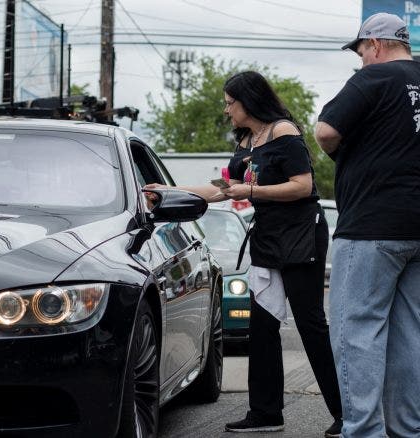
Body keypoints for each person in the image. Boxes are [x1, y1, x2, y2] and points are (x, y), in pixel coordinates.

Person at [145, 70, 342, 437]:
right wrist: (168, 191)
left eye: (229, 103)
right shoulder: (246, 140)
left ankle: (345, 414)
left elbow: (303, 186)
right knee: (261, 326)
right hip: (268, 236)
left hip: (301, 234)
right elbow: (223, 189)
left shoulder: (284, 131)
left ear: (248, 100)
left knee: (310, 324)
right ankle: (266, 413)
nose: (225, 110)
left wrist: (250, 193)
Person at [315, 12, 420, 438]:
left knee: (356, 330)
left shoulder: (374, 78)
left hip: (371, 226)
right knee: (408, 334)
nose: (360, 61)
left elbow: (324, 131)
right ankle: (407, 430)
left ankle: (362, 431)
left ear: (374, 45)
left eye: (360, 52)